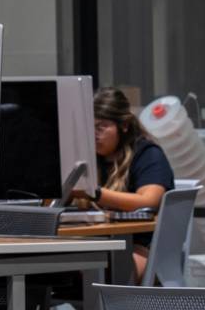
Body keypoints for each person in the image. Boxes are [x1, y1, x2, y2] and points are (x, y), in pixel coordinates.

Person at [74, 87, 172, 279]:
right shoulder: (85, 159)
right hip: (91, 242)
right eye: (88, 127)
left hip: (137, 246)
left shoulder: (147, 154)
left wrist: (94, 193)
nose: (93, 134)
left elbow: (149, 200)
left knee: (96, 271)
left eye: (101, 127)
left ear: (124, 125)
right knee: (33, 269)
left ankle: (100, 309)